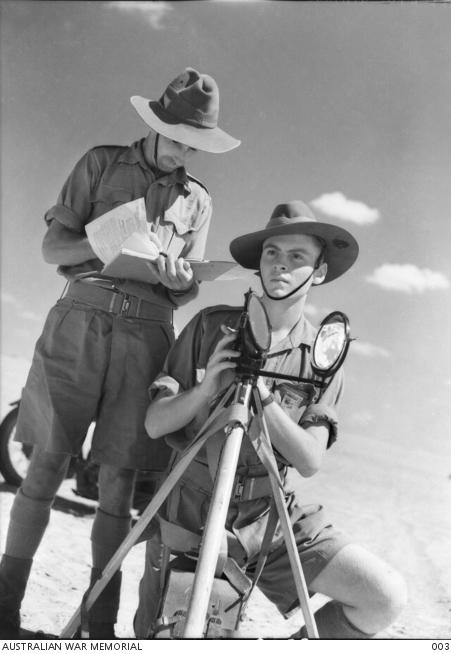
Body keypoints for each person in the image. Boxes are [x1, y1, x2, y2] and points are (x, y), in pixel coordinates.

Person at [0, 67, 240, 639]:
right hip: (80, 321)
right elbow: (52, 248)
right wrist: (101, 240)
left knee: (118, 481)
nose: (185, 153)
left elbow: (187, 287)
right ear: (156, 126)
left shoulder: (198, 200)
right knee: (45, 468)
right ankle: (5, 609)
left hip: (149, 334)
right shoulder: (101, 163)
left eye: (197, 145)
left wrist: (183, 277)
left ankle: (99, 624)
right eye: (179, 138)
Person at [133, 201, 408, 639]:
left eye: (296, 256)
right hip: (192, 513)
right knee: (175, 638)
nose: (280, 265)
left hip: (269, 516)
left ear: (318, 272)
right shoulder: (210, 328)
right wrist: (207, 390)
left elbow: (309, 460)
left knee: (383, 595)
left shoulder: (321, 357)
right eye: (271, 253)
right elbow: (154, 423)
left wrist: (264, 397)